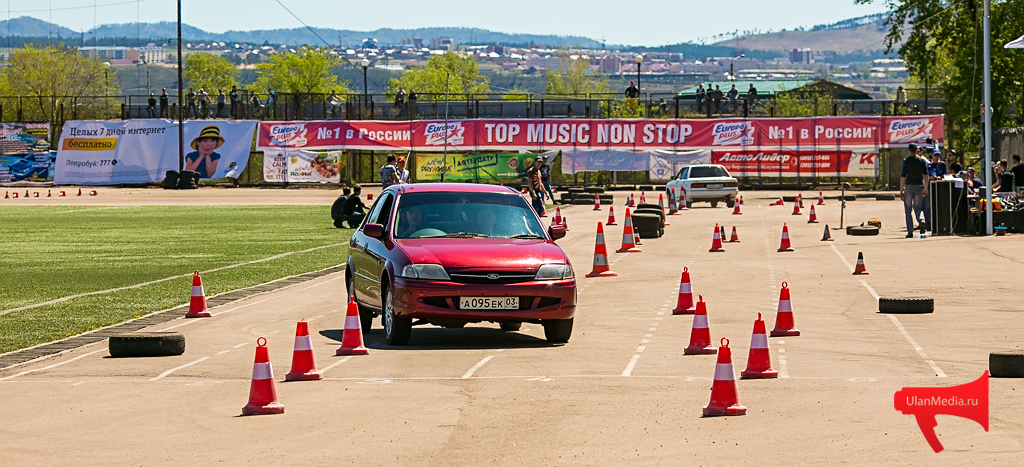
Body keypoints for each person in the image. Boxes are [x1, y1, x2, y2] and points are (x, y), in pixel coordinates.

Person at [901, 143, 930, 238]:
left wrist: (901, 189)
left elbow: (903, 176)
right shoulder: (922, 161)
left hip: (909, 186)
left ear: (909, 150)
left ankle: (910, 231)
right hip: (919, 186)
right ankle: (921, 219)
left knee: (908, 209)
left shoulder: (906, 161)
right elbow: (926, 175)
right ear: (916, 150)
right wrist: (925, 188)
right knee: (918, 207)